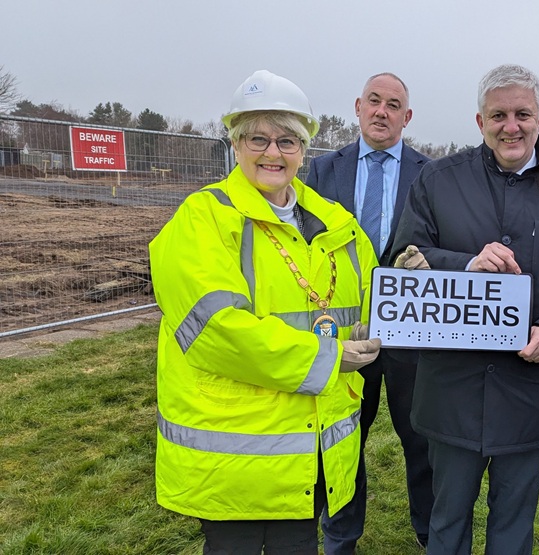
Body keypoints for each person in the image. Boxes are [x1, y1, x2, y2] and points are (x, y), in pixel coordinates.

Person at [150, 69, 381, 554]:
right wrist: (330, 358)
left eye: (288, 140)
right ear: (235, 144)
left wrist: (406, 280)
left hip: (308, 449)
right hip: (237, 453)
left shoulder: (337, 224)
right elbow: (217, 331)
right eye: (259, 138)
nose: (273, 153)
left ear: (304, 150)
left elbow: (369, 301)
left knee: (298, 544)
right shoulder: (203, 218)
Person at [391, 64, 539, 555]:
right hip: (452, 388)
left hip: (527, 390)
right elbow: (403, 258)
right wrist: (465, 264)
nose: (510, 126)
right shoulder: (438, 180)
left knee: (513, 526)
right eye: (498, 115)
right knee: (447, 518)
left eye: (521, 114)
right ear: (479, 121)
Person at [305, 72, 434, 553]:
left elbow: (439, 242)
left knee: (420, 442)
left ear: (407, 116)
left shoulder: (430, 173)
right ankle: (340, 535)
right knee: (341, 443)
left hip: (408, 336)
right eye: (374, 101)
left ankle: (429, 532)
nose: (382, 111)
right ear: (358, 107)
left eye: (393, 104)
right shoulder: (322, 171)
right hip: (342, 333)